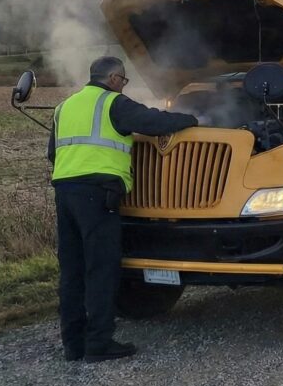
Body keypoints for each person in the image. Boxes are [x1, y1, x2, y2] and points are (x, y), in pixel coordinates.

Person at [47, 56, 199, 363]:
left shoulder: (64, 107)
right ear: (115, 78)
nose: (122, 86)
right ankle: (99, 344)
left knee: (72, 270)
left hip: (64, 193)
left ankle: (73, 345)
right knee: (101, 268)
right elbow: (155, 122)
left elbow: (53, 153)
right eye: (123, 81)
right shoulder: (113, 104)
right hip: (98, 195)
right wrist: (190, 120)